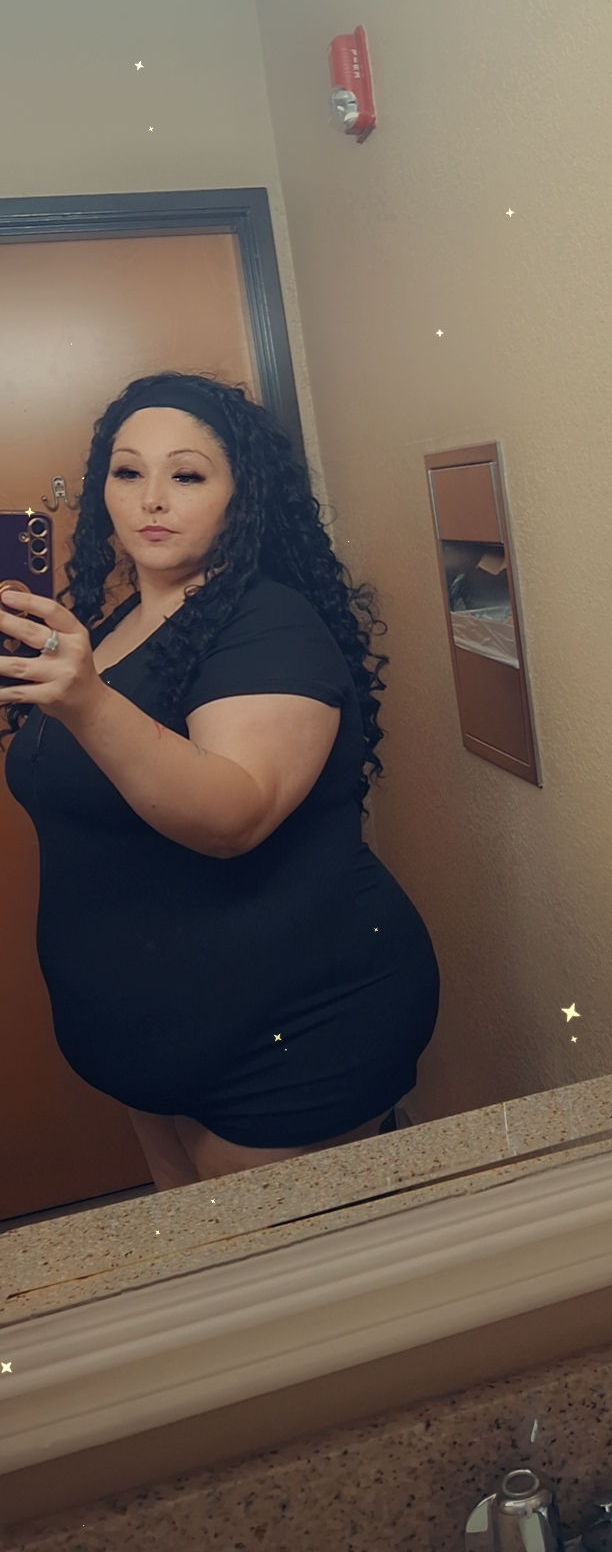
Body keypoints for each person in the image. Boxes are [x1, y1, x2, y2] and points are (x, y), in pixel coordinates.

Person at [1, 372, 440, 1190]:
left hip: (291, 1037)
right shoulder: (115, 627)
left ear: (243, 496)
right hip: (155, 1042)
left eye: (188, 474)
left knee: (284, 1272)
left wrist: (86, 700)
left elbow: (233, 815)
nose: (152, 499)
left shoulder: (268, 624)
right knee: (197, 1251)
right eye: (128, 472)